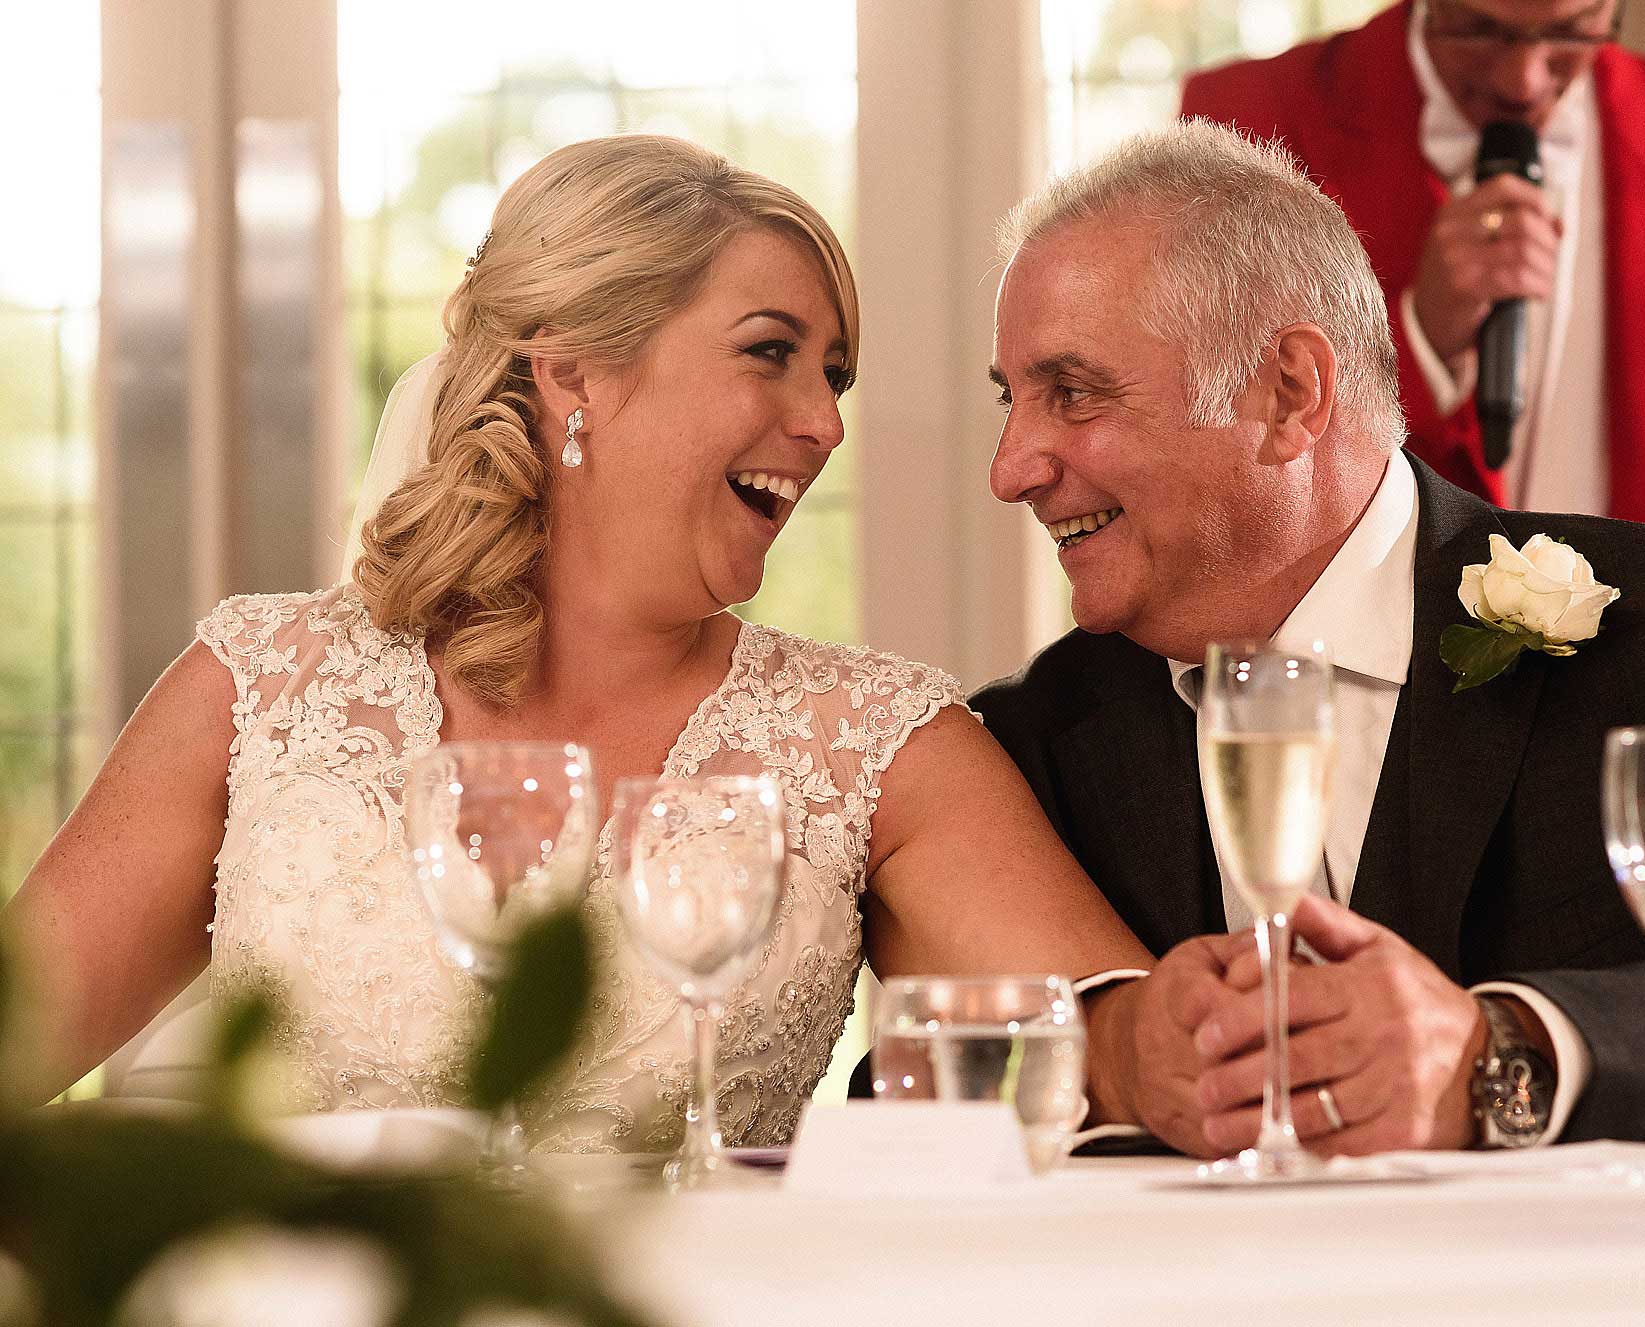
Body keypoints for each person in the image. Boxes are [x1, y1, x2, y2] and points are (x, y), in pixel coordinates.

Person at [1, 135, 1156, 1149]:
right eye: (770, 351)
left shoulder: (880, 748)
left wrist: (1179, 1039)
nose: (824, 422)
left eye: (834, 374)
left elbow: (1111, 1045)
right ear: (573, 370)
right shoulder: (255, 690)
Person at [978, 119, 1645, 1157]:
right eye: (1012, 401)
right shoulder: (1035, 738)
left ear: (1287, 395)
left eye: (1072, 394)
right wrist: (1108, 1048)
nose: (1011, 468)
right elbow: (904, 1083)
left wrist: (1509, 1051)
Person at [1178, 0, 1645, 754]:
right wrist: (1418, 336)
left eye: (1569, 32)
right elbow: (1224, 472)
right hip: (1378, 737)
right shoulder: (1247, 121)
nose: (1523, 79)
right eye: (1478, 29)